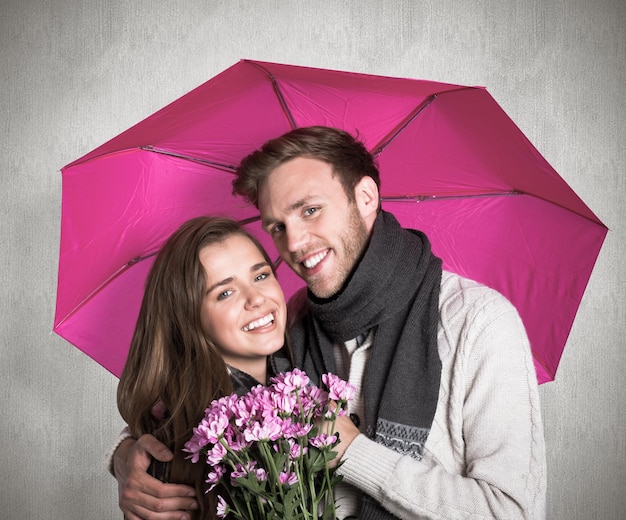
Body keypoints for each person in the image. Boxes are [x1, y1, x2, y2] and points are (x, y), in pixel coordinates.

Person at [111, 126, 547, 519]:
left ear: (366, 198)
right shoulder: (290, 323)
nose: (295, 243)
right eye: (277, 227)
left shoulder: (477, 324)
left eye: (310, 210)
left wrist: (354, 452)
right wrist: (129, 458)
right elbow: (206, 401)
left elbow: (513, 513)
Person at [113, 216, 291, 520]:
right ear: (190, 320)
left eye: (260, 276)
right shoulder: (196, 442)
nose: (256, 299)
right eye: (225, 292)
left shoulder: (305, 367)